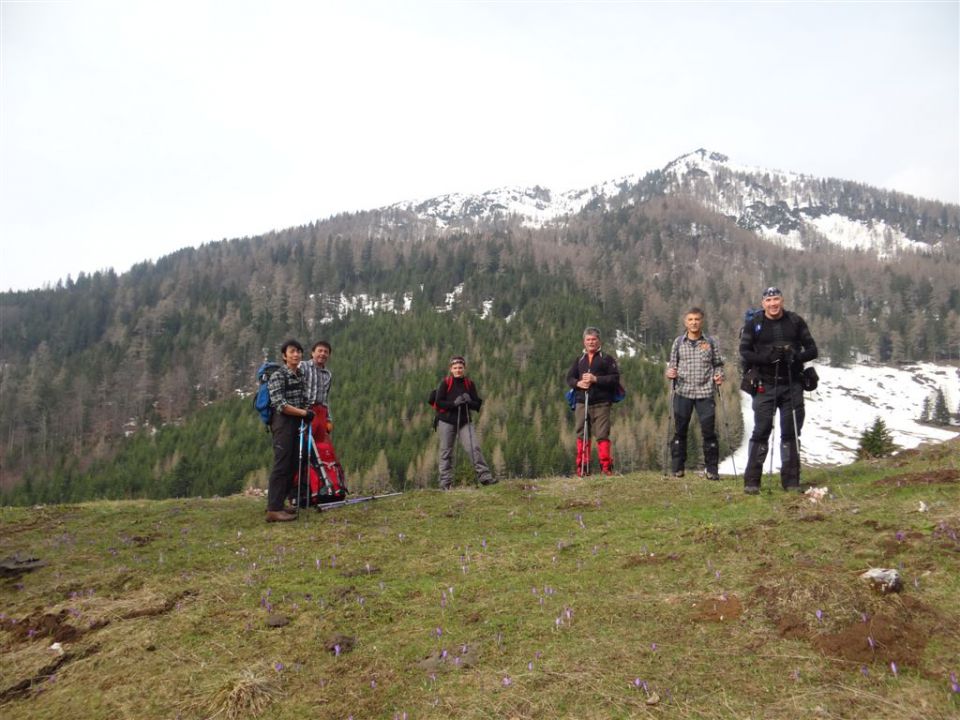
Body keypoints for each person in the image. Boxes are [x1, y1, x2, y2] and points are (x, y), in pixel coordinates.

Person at [739, 287, 818, 494]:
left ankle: (792, 482)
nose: (773, 304)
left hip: (792, 384)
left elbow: (813, 349)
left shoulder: (795, 321)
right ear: (763, 303)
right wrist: (766, 358)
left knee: (791, 432)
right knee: (761, 431)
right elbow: (744, 352)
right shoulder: (754, 324)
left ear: (782, 300)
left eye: (776, 299)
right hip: (765, 385)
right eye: (769, 300)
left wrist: (796, 356)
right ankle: (752, 482)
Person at [665, 307, 725, 479]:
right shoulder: (678, 342)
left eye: (697, 319)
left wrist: (719, 375)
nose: (693, 322)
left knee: (709, 432)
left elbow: (718, 364)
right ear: (685, 322)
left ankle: (712, 470)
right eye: (690, 319)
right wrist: (670, 373)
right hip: (683, 392)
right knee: (680, 431)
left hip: (705, 392)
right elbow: (672, 365)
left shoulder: (711, 342)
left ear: (702, 321)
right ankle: (677, 468)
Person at [265, 339, 314, 522]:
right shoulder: (278, 376)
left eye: (299, 351)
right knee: (282, 464)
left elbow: (303, 397)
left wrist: (306, 411)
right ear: (284, 356)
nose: (296, 354)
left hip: (297, 421)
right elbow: (280, 405)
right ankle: (273, 510)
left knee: (294, 463)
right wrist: (304, 413)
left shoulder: (300, 374)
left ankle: (279, 503)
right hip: (283, 422)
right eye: (292, 351)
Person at [434, 356, 495, 489]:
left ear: (464, 368)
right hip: (446, 421)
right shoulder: (446, 383)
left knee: (474, 448)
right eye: (455, 368)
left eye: (460, 368)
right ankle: (445, 484)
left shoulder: (469, 384)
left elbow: (477, 404)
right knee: (446, 452)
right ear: (451, 369)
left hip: (464, 422)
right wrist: (454, 403)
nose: (458, 370)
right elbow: (439, 402)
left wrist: (469, 401)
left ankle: (485, 478)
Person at [566, 327, 621, 476]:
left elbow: (615, 379)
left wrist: (595, 379)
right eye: (588, 340)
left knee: (602, 434)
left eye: (594, 339)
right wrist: (578, 384)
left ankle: (606, 468)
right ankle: (582, 469)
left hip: (602, 403)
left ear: (599, 341)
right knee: (582, 434)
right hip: (581, 402)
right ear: (584, 342)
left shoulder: (607, 359)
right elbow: (569, 378)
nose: (591, 342)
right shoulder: (579, 360)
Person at [301, 340, 334, 444]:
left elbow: (325, 398)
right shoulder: (303, 366)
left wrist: (328, 419)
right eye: (320, 351)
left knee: (319, 444)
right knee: (304, 442)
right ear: (312, 353)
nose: (323, 354)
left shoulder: (327, 374)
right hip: (306, 410)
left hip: (321, 412)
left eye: (326, 352)